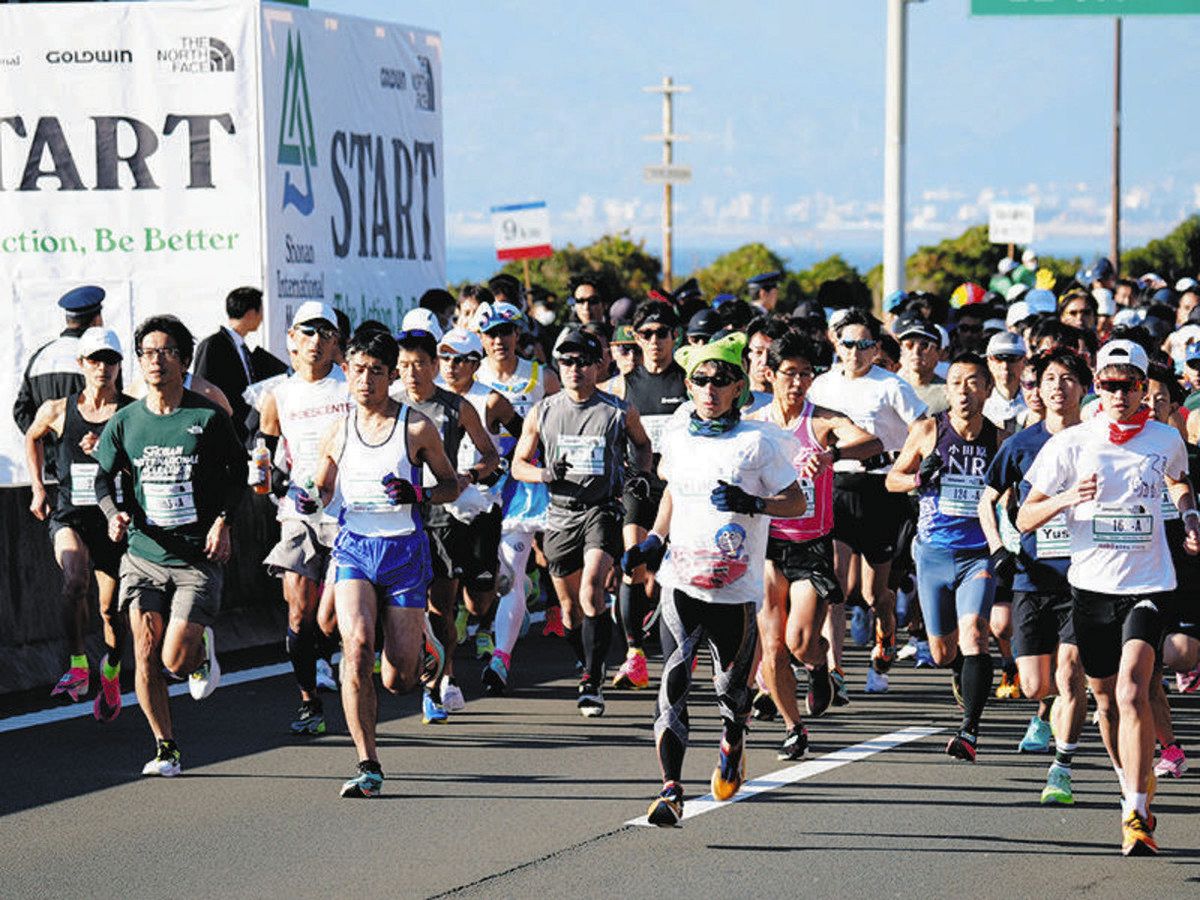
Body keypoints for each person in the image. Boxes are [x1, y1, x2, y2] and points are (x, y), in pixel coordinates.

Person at [1017, 339, 1200, 856]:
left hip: (1148, 585)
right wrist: (1066, 498)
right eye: (1109, 384)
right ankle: (1132, 789)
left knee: (1132, 689)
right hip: (1091, 587)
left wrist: (1189, 514)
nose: (1118, 394)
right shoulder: (1072, 443)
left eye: (1129, 385)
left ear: (1145, 389)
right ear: (1097, 386)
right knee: (1103, 699)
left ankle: (1137, 813)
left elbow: (1177, 480)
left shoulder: (1166, 438)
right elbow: (1023, 517)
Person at [626, 333, 803, 826]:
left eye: (721, 380)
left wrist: (754, 504)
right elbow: (673, 496)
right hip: (680, 583)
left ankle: (734, 738)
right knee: (674, 681)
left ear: (739, 387)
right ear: (688, 384)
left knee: (730, 693)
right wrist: (653, 541)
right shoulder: (679, 436)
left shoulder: (756, 443)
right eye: (701, 380)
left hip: (736, 590)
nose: (710, 388)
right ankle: (671, 791)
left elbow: (797, 502)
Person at [92, 315, 247, 777]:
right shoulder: (125, 421)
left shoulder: (205, 417)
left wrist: (223, 522)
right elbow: (103, 475)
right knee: (143, 649)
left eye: (165, 352)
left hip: (196, 558)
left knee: (173, 658)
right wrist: (111, 513)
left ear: (183, 360)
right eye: (147, 353)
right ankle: (166, 748)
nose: (155, 361)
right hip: (143, 554)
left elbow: (237, 474)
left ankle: (200, 651)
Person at [311, 329, 459, 798]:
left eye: (377, 371)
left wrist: (418, 494)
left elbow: (451, 486)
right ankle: (368, 763)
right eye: (358, 370)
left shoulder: (415, 428)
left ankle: (425, 645)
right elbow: (322, 487)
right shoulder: (337, 429)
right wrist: (303, 495)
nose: (366, 380)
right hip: (355, 547)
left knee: (399, 678)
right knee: (354, 645)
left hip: (404, 552)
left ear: (390, 374)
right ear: (347, 372)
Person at [747, 332, 882, 760]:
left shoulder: (821, 421)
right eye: (790, 373)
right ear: (770, 375)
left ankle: (819, 666)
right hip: (768, 545)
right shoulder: (755, 425)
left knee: (800, 641)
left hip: (811, 545)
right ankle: (793, 728)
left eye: (806, 374)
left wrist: (830, 455)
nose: (798, 382)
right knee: (771, 645)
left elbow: (872, 442)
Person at [513, 328, 653, 716]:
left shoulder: (617, 410)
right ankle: (586, 657)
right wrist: (545, 474)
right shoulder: (542, 411)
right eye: (566, 362)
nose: (574, 369)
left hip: (602, 509)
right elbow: (518, 465)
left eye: (583, 362)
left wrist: (640, 474)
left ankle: (591, 680)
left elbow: (642, 445)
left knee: (593, 590)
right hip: (559, 513)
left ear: (598, 366)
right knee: (571, 611)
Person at [979, 348, 1092, 802]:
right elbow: (986, 499)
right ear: (1038, 389)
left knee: (1069, 672)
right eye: (1050, 379)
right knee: (1034, 684)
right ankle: (1043, 710)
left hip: (1084, 576)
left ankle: (1061, 767)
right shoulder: (1020, 444)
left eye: (1068, 379)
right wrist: (997, 548)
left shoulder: (1099, 441)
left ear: (1084, 388)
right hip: (1032, 575)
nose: (1058, 387)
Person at [887, 352, 1006, 761]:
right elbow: (892, 480)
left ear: (988, 390)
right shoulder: (927, 430)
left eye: (973, 382)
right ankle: (960, 671)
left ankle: (969, 731)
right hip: (934, 552)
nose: (964, 391)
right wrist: (921, 476)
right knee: (942, 652)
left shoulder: (999, 439)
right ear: (947, 389)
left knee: (975, 635)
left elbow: (1013, 495)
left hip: (978, 554)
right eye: (956, 382)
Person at [808, 308, 928, 695]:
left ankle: (885, 640)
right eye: (848, 344)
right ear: (836, 344)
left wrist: (904, 462)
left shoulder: (891, 385)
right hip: (837, 485)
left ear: (877, 349)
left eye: (864, 345)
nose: (855, 352)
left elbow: (924, 427)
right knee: (838, 586)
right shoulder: (822, 385)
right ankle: (835, 670)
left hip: (880, 490)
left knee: (876, 594)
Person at [391, 320, 498, 722]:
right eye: (404, 364)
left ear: (433, 365)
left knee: (442, 607)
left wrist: (469, 475)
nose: (411, 371)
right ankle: (419, 665)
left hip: (443, 518)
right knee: (402, 606)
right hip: (398, 518)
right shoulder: (391, 404)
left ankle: (440, 683)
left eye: (419, 363)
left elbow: (491, 455)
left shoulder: (456, 407)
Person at [25, 327, 132, 719]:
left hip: (112, 518)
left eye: (110, 360)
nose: (103, 368)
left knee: (111, 611)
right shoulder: (57, 409)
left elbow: (142, 464)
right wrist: (38, 486)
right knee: (74, 580)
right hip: (70, 512)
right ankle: (77, 664)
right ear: (81, 365)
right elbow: (33, 437)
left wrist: (108, 451)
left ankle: (112, 667)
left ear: (121, 365)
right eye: (95, 360)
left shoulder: (131, 412)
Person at [257, 302, 350, 736]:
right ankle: (309, 703)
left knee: (329, 619)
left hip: (349, 511)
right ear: (291, 338)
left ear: (336, 342)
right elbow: (265, 454)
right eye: (306, 333)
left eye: (324, 334)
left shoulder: (350, 385)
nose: (315, 342)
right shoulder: (277, 394)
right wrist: (269, 480)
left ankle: (342, 655)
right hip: (299, 513)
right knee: (298, 614)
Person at [604, 299, 690, 690]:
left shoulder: (690, 382)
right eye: (647, 335)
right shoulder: (622, 384)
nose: (655, 342)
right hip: (638, 486)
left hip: (680, 491)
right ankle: (634, 655)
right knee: (631, 563)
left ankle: (680, 649)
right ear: (636, 338)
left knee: (674, 576)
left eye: (662, 334)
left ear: (676, 337)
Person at [475, 302, 562, 683]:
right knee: (500, 575)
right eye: (491, 334)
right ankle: (502, 648)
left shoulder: (543, 377)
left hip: (530, 483)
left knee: (529, 572)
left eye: (506, 332)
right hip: (483, 483)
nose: (499, 340)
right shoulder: (470, 375)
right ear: (481, 339)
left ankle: (504, 659)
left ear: (517, 336)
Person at [435, 327, 523, 696]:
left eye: (460, 360)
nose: (451, 367)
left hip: (483, 508)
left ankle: (498, 580)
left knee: (478, 598)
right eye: (445, 358)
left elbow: (525, 437)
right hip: (440, 509)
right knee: (442, 593)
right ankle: (444, 674)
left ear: (475, 364)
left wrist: (499, 467)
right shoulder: (428, 398)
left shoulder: (490, 401)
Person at [14, 286, 106, 481]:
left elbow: (21, 411)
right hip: (88, 468)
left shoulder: (40, 357)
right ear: (96, 321)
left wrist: (47, 447)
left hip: (50, 471)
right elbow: (110, 409)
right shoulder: (99, 359)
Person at [193, 286, 266, 443]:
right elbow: (202, 387)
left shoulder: (241, 346)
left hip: (243, 432)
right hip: (223, 432)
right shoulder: (213, 344)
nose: (262, 317)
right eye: (260, 311)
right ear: (251, 313)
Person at [895, 313, 948, 415]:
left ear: (938, 353)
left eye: (924, 345)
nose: (916, 352)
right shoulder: (894, 388)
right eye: (909, 345)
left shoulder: (948, 394)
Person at [983, 331, 1028, 431]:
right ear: (989, 361)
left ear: (1024, 361)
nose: (1005, 366)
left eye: (1012, 359)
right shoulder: (980, 401)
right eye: (998, 359)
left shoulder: (1035, 400)